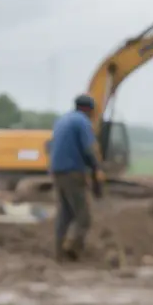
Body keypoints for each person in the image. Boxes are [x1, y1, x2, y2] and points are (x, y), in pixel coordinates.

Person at [50, 94, 102, 260]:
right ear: (88, 109)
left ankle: (58, 252)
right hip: (72, 171)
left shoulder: (62, 120)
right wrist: (96, 170)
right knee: (84, 217)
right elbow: (89, 149)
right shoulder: (82, 122)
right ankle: (71, 249)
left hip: (57, 171)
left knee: (66, 213)